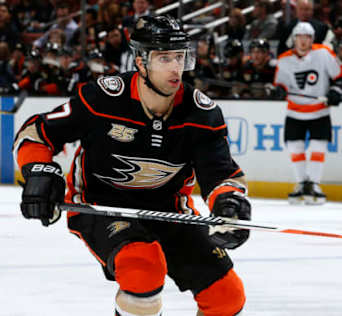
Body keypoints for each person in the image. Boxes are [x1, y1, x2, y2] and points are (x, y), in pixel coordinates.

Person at [13, 15, 250, 316]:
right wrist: (39, 171)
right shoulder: (102, 98)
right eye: (164, 58)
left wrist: (229, 204)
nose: (176, 67)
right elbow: (35, 133)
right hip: (102, 205)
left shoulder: (202, 114)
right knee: (142, 269)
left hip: (169, 211)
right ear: (140, 61)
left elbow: (221, 174)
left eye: (180, 57)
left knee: (226, 297)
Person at [273, 22, 342, 205]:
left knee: (318, 147)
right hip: (295, 111)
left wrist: (336, 91)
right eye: (300, 37)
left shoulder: (323, 53)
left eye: (307, 37)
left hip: (319, 111)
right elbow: (279, 84)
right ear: (294, 39)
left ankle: (314, 184)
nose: (303, 41)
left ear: (312, 39)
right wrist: (279, 91)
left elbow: (339, 77)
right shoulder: (284, 59)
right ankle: (301, 184)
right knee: (295, 148)